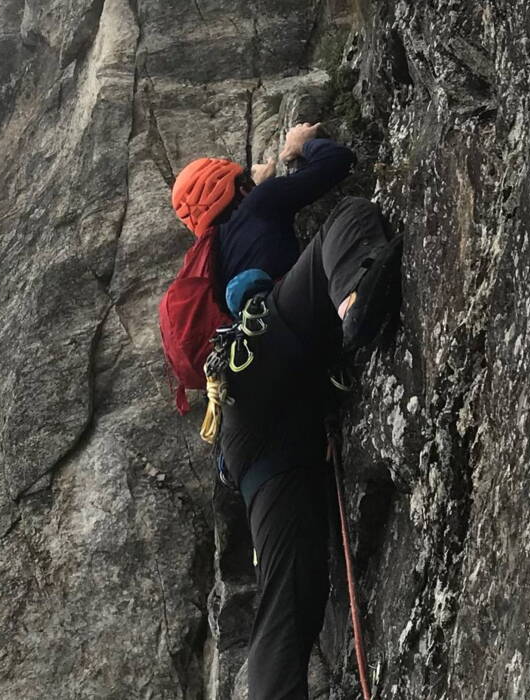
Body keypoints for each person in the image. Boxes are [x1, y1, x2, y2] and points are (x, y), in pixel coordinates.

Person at [165, 123, 401, 699]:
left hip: (243, 429)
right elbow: (337, 163)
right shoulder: (259, 206)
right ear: (238, 189)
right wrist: (298, 151)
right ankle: (352, 298)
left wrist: (260, 172)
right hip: (275, 343)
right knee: (346, 218)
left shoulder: (210, 262)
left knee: (290, 586)